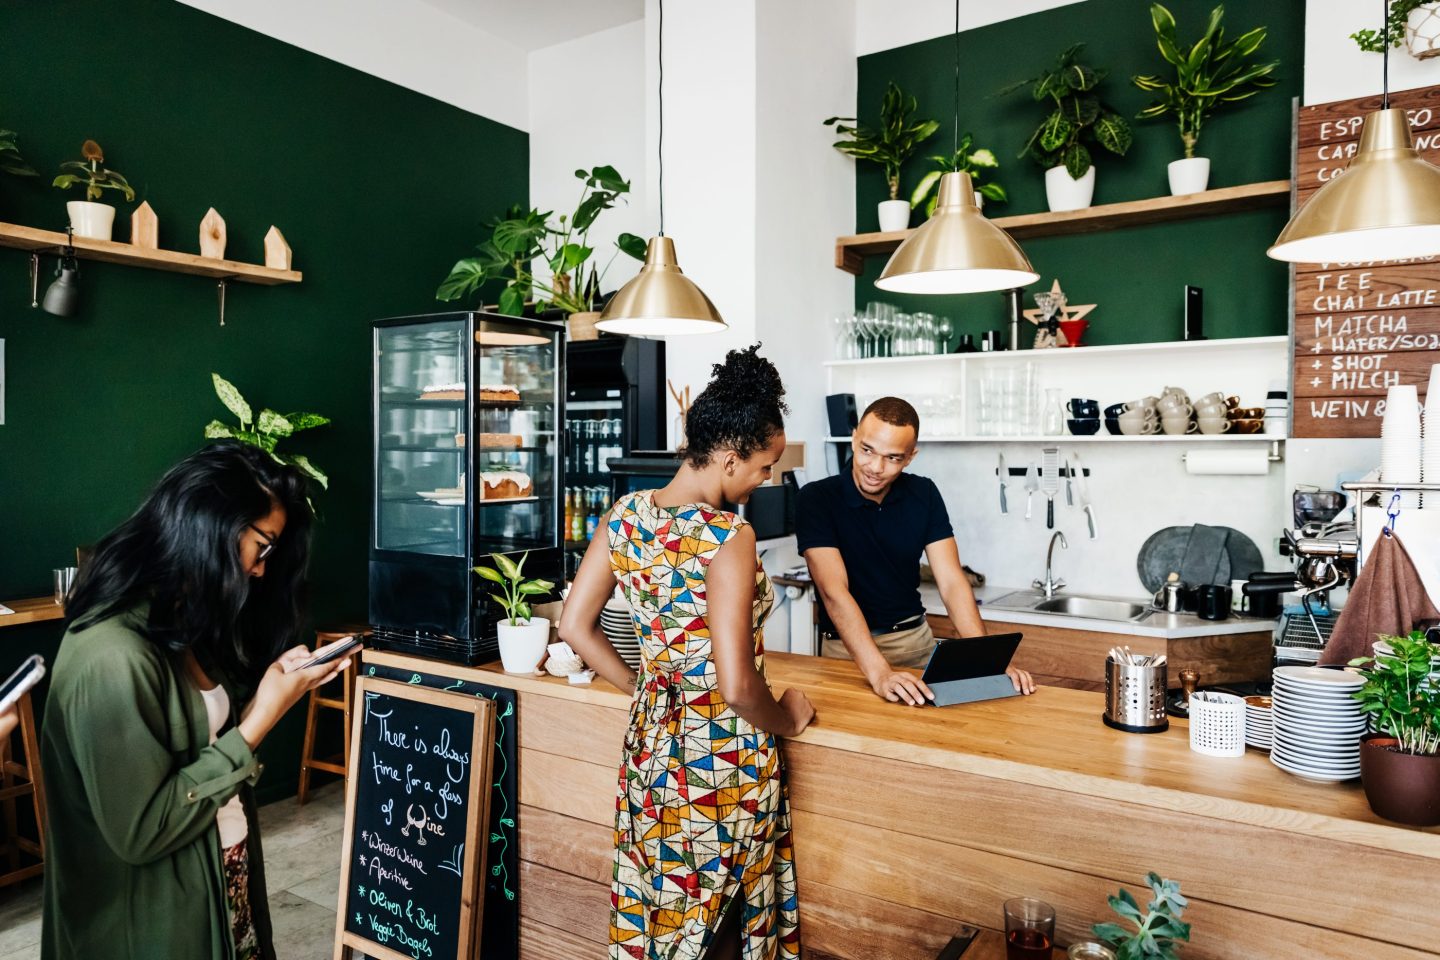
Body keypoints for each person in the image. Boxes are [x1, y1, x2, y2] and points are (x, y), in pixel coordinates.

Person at [40, 442, 351, 960]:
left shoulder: (179, 626)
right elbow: (143, 831)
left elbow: (200, 750)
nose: (260, 570)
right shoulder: (112, 655)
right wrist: (261, 721)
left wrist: (264, 696)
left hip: (219, 887)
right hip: (158, 926)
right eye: (263, 546)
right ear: (214, 526)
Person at [560, 345, 814, 960]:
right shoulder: (728, 537)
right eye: (764, 466)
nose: (766, 479)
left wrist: (648, 688)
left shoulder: (624, 516)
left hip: (652, 745)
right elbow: (735, 685)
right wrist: (789, 715)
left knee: (663, 907)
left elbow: (575, 627)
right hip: (721, 759)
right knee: (719, 919)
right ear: (729, 459)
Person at [797, 396, 1035, 706]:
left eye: (893, 458)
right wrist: (880, 674)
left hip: (915, 645)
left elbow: (951, 582)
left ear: (911, 456)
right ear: (855, 438)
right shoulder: (816, 499)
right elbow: (834, 592)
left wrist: (987, 660)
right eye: (867, 450)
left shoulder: (923, 493)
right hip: (846, 655)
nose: (876, 467)